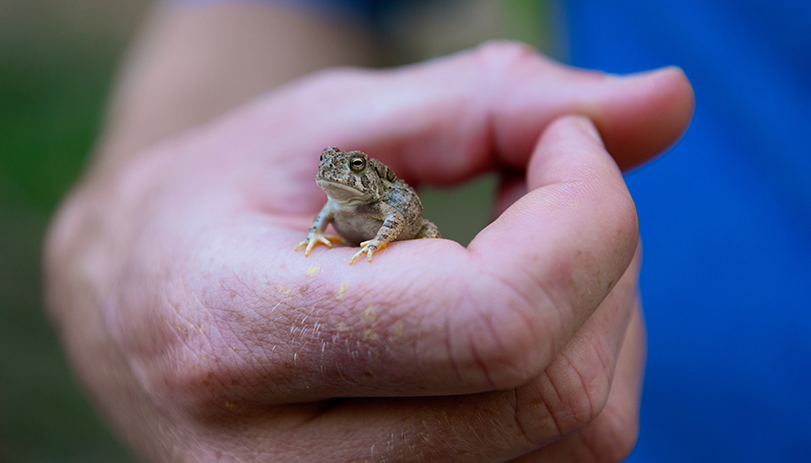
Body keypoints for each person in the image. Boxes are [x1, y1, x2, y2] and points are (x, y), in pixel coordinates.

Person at [43, 2, 696, 463]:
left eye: (346, 167)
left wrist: (384, 242)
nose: (335, 176)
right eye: (330, 169)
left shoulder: (383, 196)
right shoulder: (338, 202)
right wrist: (125, 223)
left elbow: (391, 215)